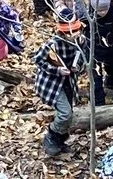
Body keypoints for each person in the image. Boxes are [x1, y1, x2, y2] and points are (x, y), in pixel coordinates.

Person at [36, 14, 86, 155]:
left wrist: (78, 67)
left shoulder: (81, 41)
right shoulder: (53, 44)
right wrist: (57, 70)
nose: (73, 35)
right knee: (65, 113)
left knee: (69, 114)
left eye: (75, 31)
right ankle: (51, 135)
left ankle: (60, 140)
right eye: (69, 32)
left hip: (69, 82)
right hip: (51, 84)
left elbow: (84, 58)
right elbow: (38, 60)